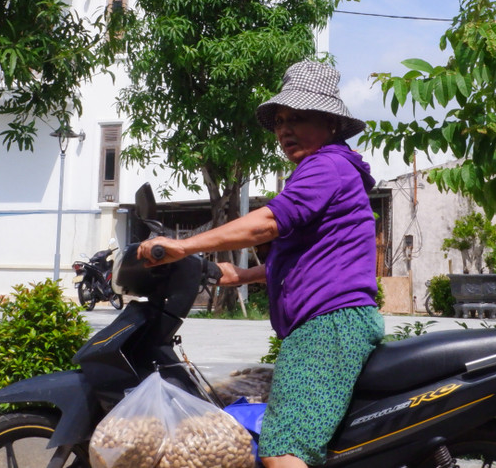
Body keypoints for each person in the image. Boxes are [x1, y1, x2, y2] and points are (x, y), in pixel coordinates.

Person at [137, 60, 382, 468]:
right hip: (331, 322)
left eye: (298, 118)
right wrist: (243, 275)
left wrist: (182, 246)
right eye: (280, 122)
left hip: (328, 326)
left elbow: (267, 223)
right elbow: (320, 256)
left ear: (331, 123)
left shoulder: (326, 166)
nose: (285, 130)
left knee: (281, 452)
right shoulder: (331, 167)